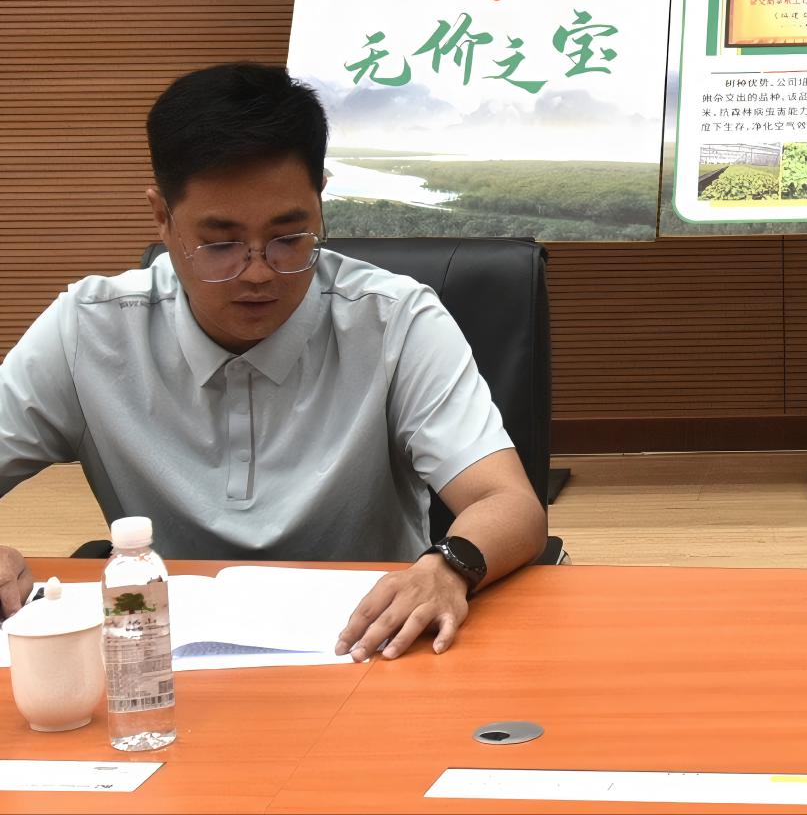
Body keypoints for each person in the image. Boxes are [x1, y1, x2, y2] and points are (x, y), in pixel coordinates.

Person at [0, 64, 550, 657]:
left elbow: (509, 503)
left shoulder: (394, 320)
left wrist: (448, 566)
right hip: (163, 660)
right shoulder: (89, 330)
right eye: (221, 243)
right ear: (162, 216)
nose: (259, 272)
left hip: (368, 647)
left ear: (320, 200)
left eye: (289, 238)